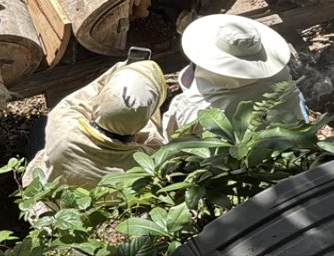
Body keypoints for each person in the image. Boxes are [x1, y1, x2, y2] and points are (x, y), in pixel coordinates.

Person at [23, 60, 167, 189]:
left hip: (50, 205)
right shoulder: (147, 161)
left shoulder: (63, 122)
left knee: (41, 125)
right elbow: (153, 131)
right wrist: (142, 107)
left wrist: (120, 69)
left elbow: (89, 93)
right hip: (90, 214)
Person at [164, 14, 307, 138]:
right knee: (297, 96)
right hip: (288, 139)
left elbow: (175, 140)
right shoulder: (280, 74)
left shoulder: (191, 106)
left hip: (233, 163)